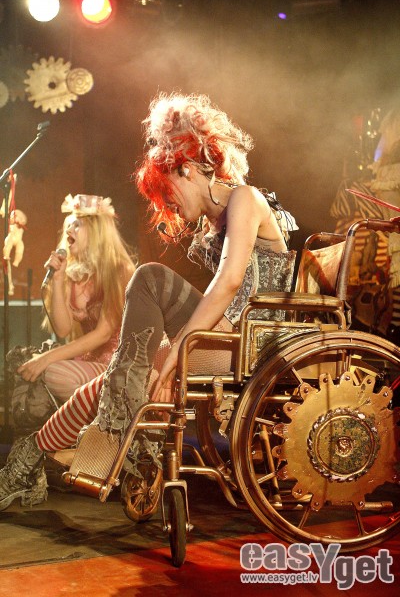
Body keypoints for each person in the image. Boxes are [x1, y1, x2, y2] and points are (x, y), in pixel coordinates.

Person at [0, 92, 297, 511]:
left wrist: (177, 350)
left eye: (166, 190)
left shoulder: (245, 198)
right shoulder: (216, 219)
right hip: (225, 338)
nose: (167, 203)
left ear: (187, 169)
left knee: (150, 277)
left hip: (252, 345)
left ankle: (109, 427)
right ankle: (27, 463)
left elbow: (229, 283)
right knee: (110, 383)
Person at [0, 193, 135, 510]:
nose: (69, 229)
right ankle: (39, 462)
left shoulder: (119, 269)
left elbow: (104, 333)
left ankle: (59, 452)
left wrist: (47, 357)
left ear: (97, 231)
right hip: (90, 362)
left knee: (49, 370)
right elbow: (62, 329)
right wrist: (58, 279)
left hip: (120, 363)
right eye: (68, 224)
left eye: (77, 224)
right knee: (29, 370)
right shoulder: (77, 275)